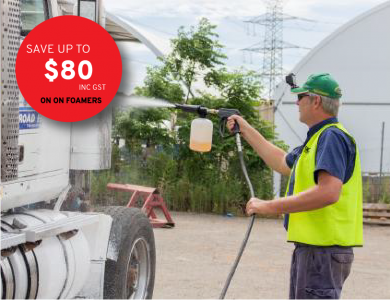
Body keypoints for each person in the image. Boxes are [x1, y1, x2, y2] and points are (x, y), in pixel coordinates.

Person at [227, 73, 363, 299]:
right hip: (315, 250)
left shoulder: (331, 137)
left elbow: (328, 192)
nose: (297, 103)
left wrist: (269, 206)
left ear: (316, 101)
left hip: (322, 251)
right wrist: (245, 128)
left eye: (301, 97)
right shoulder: (318, 139)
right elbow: (281, 161)